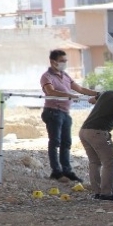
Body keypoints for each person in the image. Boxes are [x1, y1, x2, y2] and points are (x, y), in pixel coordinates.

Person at [40, 49, 99, 181]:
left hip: (65, 113)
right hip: (53, 112)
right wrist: (68, 95)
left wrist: (97, 94)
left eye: (65, 61)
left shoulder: (65, 76)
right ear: (53, 61)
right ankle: (56, 171)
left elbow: (80, 89)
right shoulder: (46, 76)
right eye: (62, 61)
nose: (64, 63)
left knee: (66, 142)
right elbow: (50, 91)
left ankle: (67, 170)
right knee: (55, 141)